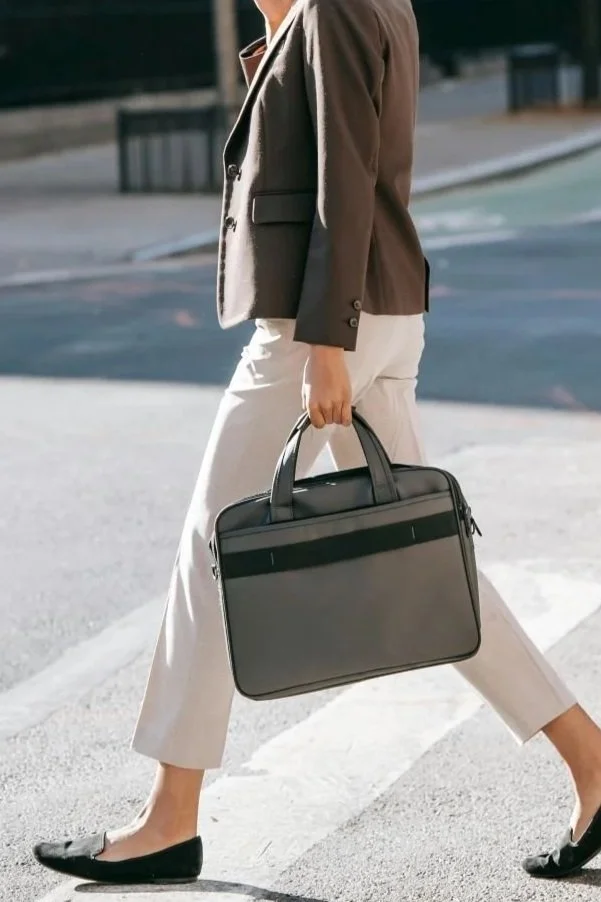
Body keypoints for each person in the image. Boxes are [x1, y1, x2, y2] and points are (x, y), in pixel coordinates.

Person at [34, 0, 601, 885]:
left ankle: (169, 819)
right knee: (425, 561)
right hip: (381, 307)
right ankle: (593, 762)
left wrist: (326, 344)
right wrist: (277, 31)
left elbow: (345, 176)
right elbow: (323, 134)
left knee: (211, 543)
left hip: (324, 322)